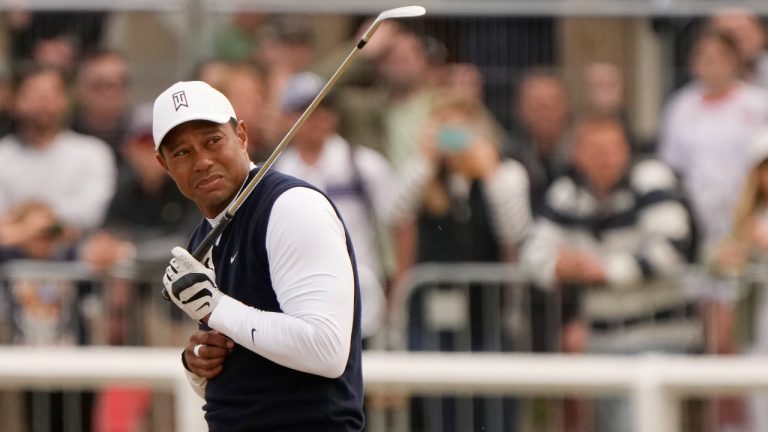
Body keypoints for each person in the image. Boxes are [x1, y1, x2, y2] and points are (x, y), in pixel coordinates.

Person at [152, 80, 364, 431]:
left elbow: (326, 350)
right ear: (164, 164)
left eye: (213, 141)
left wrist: (216, 307)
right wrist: (198, 366)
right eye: (182, 152)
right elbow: (247, 364)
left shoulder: (291, 206)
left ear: (242, 136)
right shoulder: (204, 234)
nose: (202, 161)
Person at [521, 115, 699, 432]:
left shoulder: (651, 178)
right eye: (594, 149)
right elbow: (533, 251)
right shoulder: (568, 192)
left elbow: (673, 249)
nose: (605, 157)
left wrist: (604, 269)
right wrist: (559, 267)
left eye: (613, 148)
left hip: (658, 336)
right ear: (576, 154)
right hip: (602, 340)